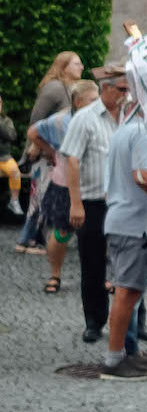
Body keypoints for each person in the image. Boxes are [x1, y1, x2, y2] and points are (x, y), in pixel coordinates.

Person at [100, 97, 147, 380]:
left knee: (128, 293)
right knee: (127, 294)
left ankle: (124, 355)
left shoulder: (126, 130)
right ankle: (115, 360)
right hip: (136, 225)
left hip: (130, 222)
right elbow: (142, 176)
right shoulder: (143, 133)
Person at [60, 69, 130, 342]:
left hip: (125, 202)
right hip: (93, 201)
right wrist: (75, 203)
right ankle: (94, 321)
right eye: (122, 90)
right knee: (93, 263)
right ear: (107, 89)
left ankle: (135, 321)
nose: (126, 96)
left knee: (130, 262)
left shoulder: (130, 117)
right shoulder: (86, 118)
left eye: (128, 90)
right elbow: (72, 160)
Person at [30, 79, 99, 294]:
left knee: (98, 235)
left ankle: (99, 279)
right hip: (64, 183)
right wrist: (50, 151)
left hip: (94, 184)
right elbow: (33, 132)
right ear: (78, 101)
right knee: (61, 233)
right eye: (93, 100)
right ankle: (55, 275)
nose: (98, 104)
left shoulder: (101, 119)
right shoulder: (61, 120)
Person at [30, 52, 84, 124]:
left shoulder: (73, 88)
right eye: (77, 64)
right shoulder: (54, 87)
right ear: (64, 67)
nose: (82, 67)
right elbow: (36, 120)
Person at [0, 96, 22, 216]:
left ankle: (14, 201)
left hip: (4, 157)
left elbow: (11, 136)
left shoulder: (6, 120)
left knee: (15, 172)